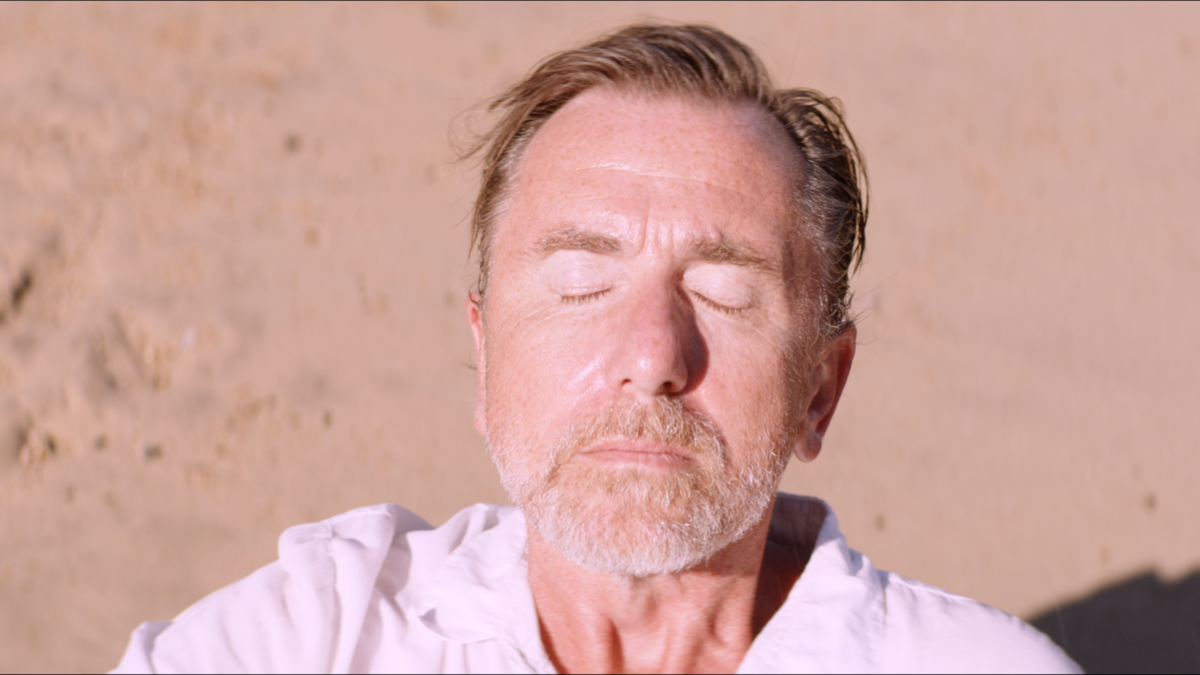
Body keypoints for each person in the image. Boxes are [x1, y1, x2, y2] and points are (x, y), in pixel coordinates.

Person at [112, 23, 1079, 674]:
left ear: (820, 389)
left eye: (725, 290)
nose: (651, 353)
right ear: (485, 358)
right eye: (580, 284)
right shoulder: (321, 634)